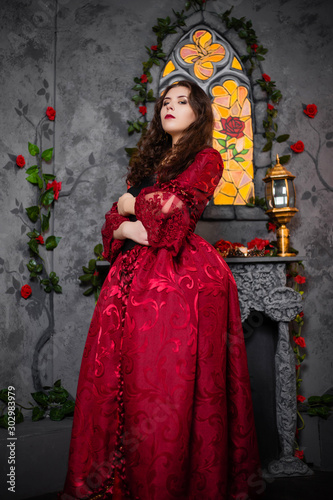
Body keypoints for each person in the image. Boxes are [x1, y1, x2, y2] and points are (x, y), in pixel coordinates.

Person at [60, 80, 261, 500]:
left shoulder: (206, 158)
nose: (170, 107)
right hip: (128, 282)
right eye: (165, 102)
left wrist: (129, 206)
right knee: (123, 382)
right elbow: (111, 224)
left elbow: (172, 218)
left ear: (199, 112)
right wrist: (133, 219)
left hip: (180, 282)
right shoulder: (150, 163)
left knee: (166, 383)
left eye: (182, 101)